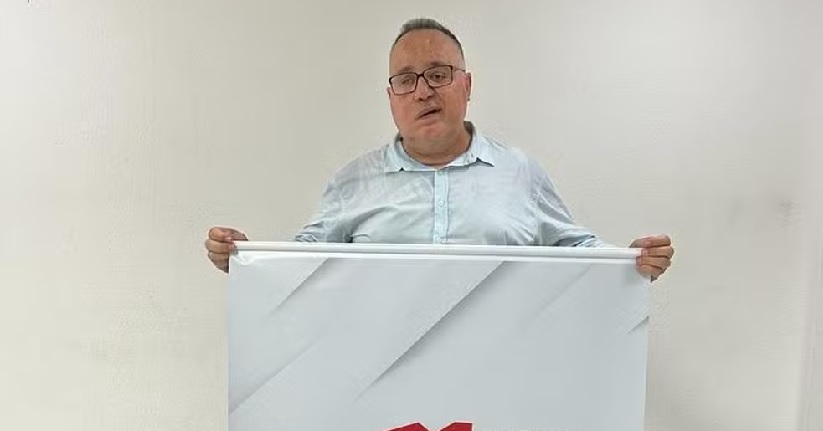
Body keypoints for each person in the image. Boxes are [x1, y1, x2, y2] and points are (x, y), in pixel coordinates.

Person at [205, 18, 674, 280]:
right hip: (381, 385)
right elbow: (300, 262)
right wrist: (247, 259)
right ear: (391, 98)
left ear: (466, 85)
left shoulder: (519, 173)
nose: (423, 91)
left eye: (438, 74)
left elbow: (576, 250)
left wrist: (630, 262)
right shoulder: (352, 182)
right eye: (406, 80)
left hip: (501, 380)